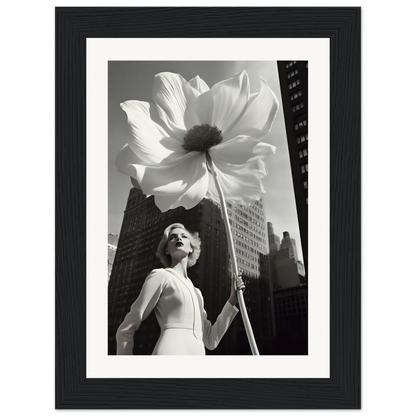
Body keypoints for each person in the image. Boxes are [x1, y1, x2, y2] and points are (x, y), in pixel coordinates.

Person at [116, 222, 245, 355]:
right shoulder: (160, 276)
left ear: (191, 248)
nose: (179, 239)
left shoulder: (197, 292)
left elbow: (210, 341)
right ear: (166, 249)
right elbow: (126, 329)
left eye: (184, 236)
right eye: (172, 237)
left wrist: (232, 300)